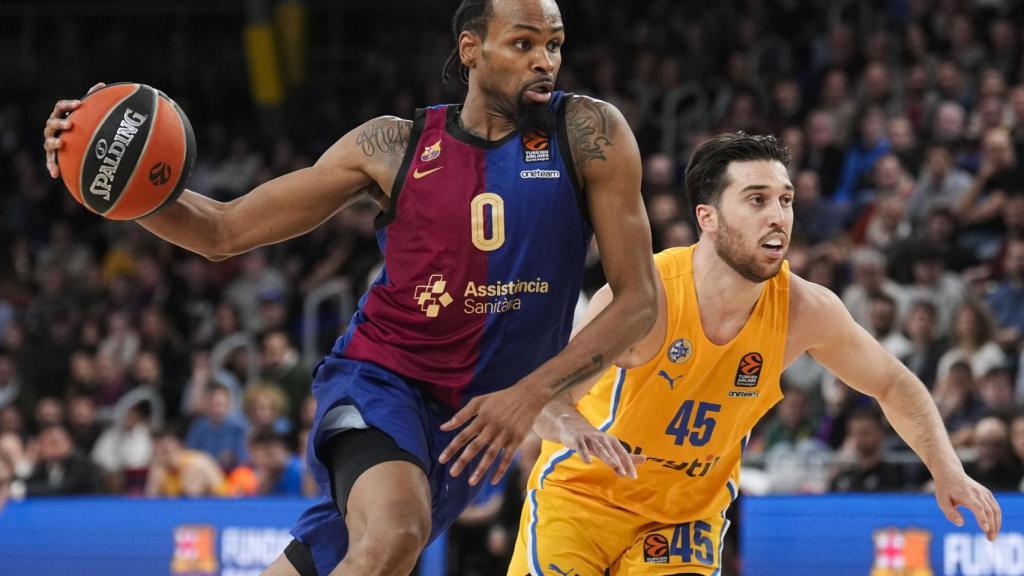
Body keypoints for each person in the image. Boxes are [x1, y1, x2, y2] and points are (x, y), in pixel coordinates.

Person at [42, 0, 656, 574]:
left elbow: (638, 301)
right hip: (382, 380)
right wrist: (112, 183)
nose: (544, 60)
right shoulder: (393, 146)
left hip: (472, 423)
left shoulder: (588, 133)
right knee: (393, 535)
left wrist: (530, 396)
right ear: (471, 49)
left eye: (554, 45)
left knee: (323, 559)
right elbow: (222, 231)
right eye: (523, 44)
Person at [509, 133, 1001, 576]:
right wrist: (572, 427)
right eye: (757, 199)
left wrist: (947, 469)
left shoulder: (805, 309)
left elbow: (892, 383)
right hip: (584, 499)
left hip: (683, 518)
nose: (778, 216)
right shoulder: (644, 298)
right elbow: (545, 399)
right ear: (707, 218)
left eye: (786, 200)